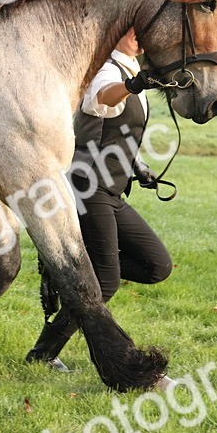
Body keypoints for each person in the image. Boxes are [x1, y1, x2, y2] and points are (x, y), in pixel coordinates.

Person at [30, 28, 174, 387]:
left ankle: (71, 274)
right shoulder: (107, 71)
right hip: (88, 188)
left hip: (111, 191)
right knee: (104, 283)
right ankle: (44, 353)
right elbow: (100, 100)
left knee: (157, 265)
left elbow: (118, 131)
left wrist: (137, 166)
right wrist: (136, 85)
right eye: (133, 31)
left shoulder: (128, 70)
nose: (141, 37)